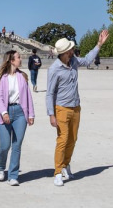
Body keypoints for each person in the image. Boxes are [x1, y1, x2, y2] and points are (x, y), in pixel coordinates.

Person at [46, 29, 108, 187]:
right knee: (62, 140)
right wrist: (51, 114)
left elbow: (87, 60)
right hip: (61, 108)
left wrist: (99, 44)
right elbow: (50, 93)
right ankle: (58, 172)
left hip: (76, 108)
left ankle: (66, 165)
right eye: (71, 49)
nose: (73, 51)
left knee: (72, 140)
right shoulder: (54, 69)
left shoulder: (73, 62)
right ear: (65, 52)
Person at [0, 50, 35, 186]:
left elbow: (28, 96)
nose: (20, 59)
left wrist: (31, 114)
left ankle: (13, 175)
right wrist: (4, 113)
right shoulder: (1, 77)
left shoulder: (22, 76)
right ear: (11, 60)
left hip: (20, 112)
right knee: (5, 145)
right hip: (4, 111)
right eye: (18, 57)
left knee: (17, 145)